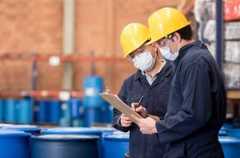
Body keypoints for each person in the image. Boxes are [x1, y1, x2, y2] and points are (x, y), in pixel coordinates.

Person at [137, 7, 227, 158]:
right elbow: (183, 110)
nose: (158, 49)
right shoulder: (187, 61)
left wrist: (157, 127)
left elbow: (195, 115)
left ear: (176, 37)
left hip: (195, 151)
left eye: (161, 43)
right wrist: (152, 118)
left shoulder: (195, 62)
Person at [112, 23, 174, 158]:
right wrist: (122, 121)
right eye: (133, 56)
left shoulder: (177, 77)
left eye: (140, 51)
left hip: (168, 153)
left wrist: (152, 118)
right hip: (138, 153)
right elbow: (116, 116)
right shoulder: (130, 83)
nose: (137, 58)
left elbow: (184, 118)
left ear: (154, 45)